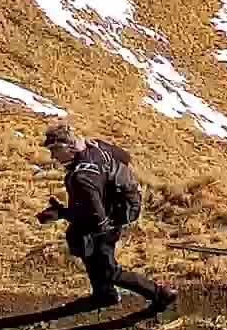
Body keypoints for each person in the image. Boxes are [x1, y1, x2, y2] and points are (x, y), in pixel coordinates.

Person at [35, 123, 175, 309]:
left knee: (107, 267)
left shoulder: (82, 177)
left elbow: (97, 220)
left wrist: (61, 213)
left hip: (111, 215)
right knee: (83, 242)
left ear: (66, 147)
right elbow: (125, 157)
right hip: (118, 202)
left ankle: (159, 294)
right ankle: (104, 294)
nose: (53, 157)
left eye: (54, 150)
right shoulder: (95, 146)